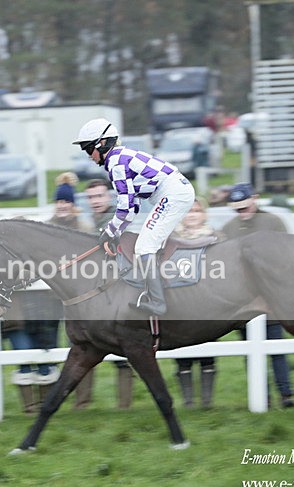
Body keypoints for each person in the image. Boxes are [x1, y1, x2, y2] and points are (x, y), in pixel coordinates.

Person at [72, 118, 195, 316]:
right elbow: (133, 207)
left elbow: (126, 209)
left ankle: (158, 302)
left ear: (102, 144)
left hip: (173, 194)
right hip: (175, 192)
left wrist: (109, 231)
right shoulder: (119, 158)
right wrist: (114, 231)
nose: (88, 156)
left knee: (144, 247)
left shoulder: (116, 163)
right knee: (148, 243)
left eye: (88, 149)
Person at [222, 183, 294, 408]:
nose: (241, 212)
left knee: (276, 347)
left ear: (255, 198)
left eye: (244, 206)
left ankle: (286, 394)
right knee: (250, 350)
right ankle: (263, 396)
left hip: (271, 297)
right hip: (243, 301)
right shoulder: (228, 228)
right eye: (237, 208)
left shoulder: (273, 222)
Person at [74, 178, 134, 410]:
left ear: (109, 196)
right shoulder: (88, 224)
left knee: (123, 353)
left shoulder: (117, 222)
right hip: (95, 299)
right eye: (91, 197)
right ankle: (83, 404)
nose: (95, 201)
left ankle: (124, 405)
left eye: (99, 196)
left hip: (117, 297)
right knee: (86, 349)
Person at [171, 196, 219, 408]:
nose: (192, 216)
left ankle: (207, 401)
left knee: (208, 353)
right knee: (182, 355)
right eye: (188, 212)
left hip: (208, 304)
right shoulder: (171, 239)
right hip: (179, 303)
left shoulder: (216, 238)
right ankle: (188, 400)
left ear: (204, 214)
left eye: (197, 211)